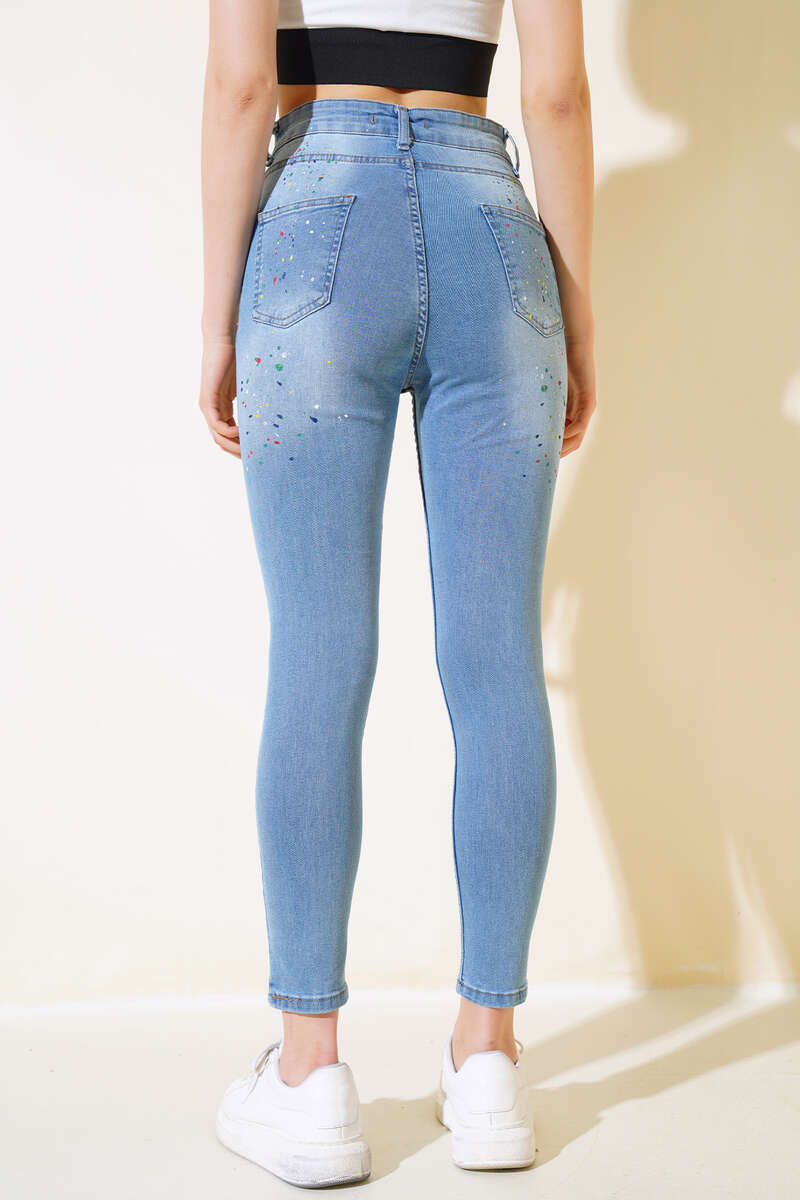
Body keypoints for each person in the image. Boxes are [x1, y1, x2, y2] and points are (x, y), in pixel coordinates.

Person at [199, 0, 596, 1186]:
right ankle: (487, 1061)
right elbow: (556, 96)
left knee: (318, 653)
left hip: (317, 216)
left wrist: (217, 318)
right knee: (496, 662)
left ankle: (309, 1075)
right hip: (492, 234)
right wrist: (577, 320)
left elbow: (238, 88)